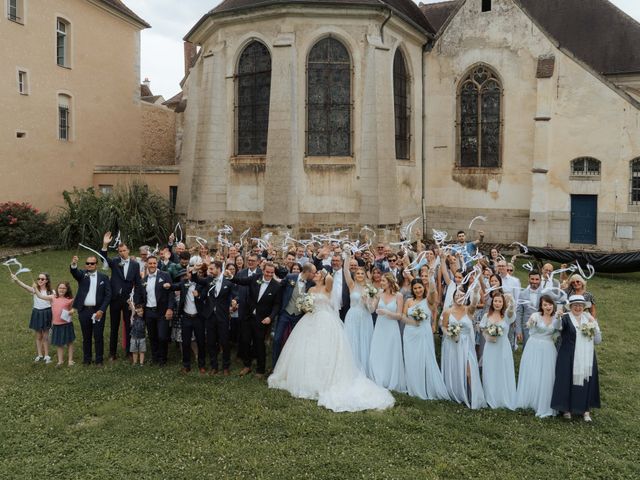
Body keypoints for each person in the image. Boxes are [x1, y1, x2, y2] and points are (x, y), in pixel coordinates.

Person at [268, 269, 395, 412]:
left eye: (317, 274)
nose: (314, 275)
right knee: (307, 348)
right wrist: (306, 306)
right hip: (310, 319)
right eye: (315, 274)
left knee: (324, 348)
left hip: (325, 320)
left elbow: (334, 300)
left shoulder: (328, 288)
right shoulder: (310, 289)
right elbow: (307, 305)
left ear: (322, 277)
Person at [551, 295, 602, 422]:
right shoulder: (566, 318)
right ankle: (566, 409)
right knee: (567, 380)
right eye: (575, 305)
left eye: (580, 305)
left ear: (584, 307)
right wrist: (557, 316)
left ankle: (585, 410)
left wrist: (595, 325)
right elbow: (557, 327)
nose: (578, 307)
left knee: (587, 380)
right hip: (568, 354)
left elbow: (598, 341)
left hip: (587, 355)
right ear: (571, 307)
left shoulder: (588, 318)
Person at [229, 262, 282, 378]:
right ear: (263, 270)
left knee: (259, 344)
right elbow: (241, 281)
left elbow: (277, 305)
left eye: (272, 273)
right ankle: (247, 365)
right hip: (248, 317)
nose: (269, 274)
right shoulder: (255, 278)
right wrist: (231, 277)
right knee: (245, 341)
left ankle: (260, 370)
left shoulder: (276, 286)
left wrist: (270, 317)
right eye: (267, 272)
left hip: (262, 320)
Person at [400, 279, 449, 401]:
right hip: (410, 332)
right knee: (411, 358)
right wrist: (413, 321)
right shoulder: (409, 301)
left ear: (423, 287)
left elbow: (432, 291)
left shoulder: (428, 300)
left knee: (425, 358)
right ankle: (413, 385)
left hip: (424, 332)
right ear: (412, 289)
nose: (418, 290)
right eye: (415, 288)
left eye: (420, 287)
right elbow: (403, 316)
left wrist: (431, 278)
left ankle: (426, 386)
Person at [441, 287, 486, 409]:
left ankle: (474, 398)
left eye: (462, 295)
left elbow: (475, 303)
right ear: (454, 297)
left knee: (468, 371)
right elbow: (444, 327)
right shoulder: (447, 311)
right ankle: (457, 393)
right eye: (457, 295)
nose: (459, 297)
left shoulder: (468, 310)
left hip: (466, 344)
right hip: (452, 343)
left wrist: (476, 292)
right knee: (455, 367)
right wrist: (450, 334)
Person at [516, 295, 560, 418]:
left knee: (546, 375)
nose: (548, 307)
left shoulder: (557, 317)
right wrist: (530, 323)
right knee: (533, 372)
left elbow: (558, 330)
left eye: (550, 304)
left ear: (553, 305)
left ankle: (544, 402)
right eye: (545, 304)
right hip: (533, 346)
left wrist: (560, 318)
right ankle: (529, 398)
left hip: (548, 349)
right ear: (541, 306)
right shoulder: (535, 316)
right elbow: (529, 327)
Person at [100, 232, 142, 362]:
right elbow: (103, 259)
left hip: (128, 300)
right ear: (118, 252)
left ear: (128, 250)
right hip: (115, 299)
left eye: (124, 250)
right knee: (114, 326)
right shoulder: (115, 262)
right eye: (120, 251)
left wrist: (137, 301)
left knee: (129, 325)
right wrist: (105, 245)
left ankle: (129, 352)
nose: (123, 252)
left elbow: (138, 283)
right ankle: (112, 353)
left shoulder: (135, 265)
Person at [194, 261, 235, 375]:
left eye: (211, 269)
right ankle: (214, 366)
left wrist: (235, 301)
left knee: (224, 342)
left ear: (218, 269)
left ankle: (226, 367)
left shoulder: (229, 282)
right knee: (211, 342)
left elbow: (236, 294)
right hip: (210, 316)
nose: (209, 271)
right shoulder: (208, 280)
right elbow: (196, 279)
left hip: (223, 316)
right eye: (209, 269)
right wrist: (194, 270)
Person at [272, 262, 316, 367]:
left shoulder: (311, 283)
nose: (314, 275)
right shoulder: (290, 277)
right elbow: (279, 288)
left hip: (299, 316)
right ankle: (275, 366)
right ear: (307, 272)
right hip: (285, 313)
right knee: (277, 339)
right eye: (313, 273)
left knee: (295, 342)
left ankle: (291, 367)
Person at [70, 255, 112, 365]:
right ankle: (87, 359)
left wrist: (101, 310)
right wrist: (74, 264)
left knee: (98, 336)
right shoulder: (82, 275)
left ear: (96, 265)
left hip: (98, 311)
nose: (89, 265)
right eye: (87, 263)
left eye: (92, 263)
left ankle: (99, 360)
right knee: (86, 336)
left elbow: (108, 295)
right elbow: (75, 273)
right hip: (84, 311)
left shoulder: (104, 278)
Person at [368, 273, 406, 392]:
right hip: (380, 327)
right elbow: (372, 310)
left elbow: (399, 316)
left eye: (383, 280)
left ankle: (390, 378)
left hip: (391, 327)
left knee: (390, 352)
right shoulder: (379, 293)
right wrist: (368, 301)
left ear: (389, 281)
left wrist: (387, 312)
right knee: (379, 350)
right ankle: (378, 376)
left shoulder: (398, 296)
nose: (381, 282)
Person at [479, 292, 517, 410]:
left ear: (503, 303)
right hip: (490, 347)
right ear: (492, 302)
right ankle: (490, 396)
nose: (497, 303)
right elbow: (482, 329)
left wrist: (511, 304)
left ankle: (502, 396)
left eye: (500, 301)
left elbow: (511, 313)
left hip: (503, 347)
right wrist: (487, 337)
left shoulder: (506, 315)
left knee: (502, 370)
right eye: (495, 301)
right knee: (490, 369)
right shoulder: (487, 316)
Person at [342, 252, 376, 373]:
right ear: (355, 275)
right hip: (352, 316)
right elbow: (346, 270)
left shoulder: (370, 288)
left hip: (365, 317)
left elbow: (372, 310)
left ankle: (363, 369)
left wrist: (367, 301)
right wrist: (347, 256)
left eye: (362, 273)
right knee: (351, 341)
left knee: (364, 342)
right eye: (358, 273)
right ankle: (350, 368)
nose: (360, 275)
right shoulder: (351, 285)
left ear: (365, 275)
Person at [30, 280, 76, 367]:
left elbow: (73, 308)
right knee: (59, 343)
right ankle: (60, 361)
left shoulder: (69, 299)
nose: (61, 289)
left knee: (69, 342)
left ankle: (70, 360)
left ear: (67, 289)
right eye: (60, 287)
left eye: (64, 288)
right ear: (57, 289)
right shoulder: (53, 297)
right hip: (57, 324)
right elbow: (40, 296)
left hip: (67, 324)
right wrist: (35, 288)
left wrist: (71, 311)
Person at [139, 255, 175, 366]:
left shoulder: (165, 276)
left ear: (157, 264)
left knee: (162, 336)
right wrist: (139, 307)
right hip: (149, 312)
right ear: (147, 265)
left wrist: (170, 308)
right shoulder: (144, 280)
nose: (152, 265)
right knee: (152, 336)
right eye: (150, 263)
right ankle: (155, 357)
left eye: (154, 263)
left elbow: (171, 293)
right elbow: (142, 296)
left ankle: (163, 358)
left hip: (162, 311)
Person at [10, 271, 53, 363]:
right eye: (39, 278)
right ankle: (39, 355)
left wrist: (35, 289)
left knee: (45, 335)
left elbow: (42, 296)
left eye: (42, 279)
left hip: (46, 313)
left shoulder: (51, 291)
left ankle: (46, 355)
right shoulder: (34, 289)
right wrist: (16, 279)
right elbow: (24, 286)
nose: (40, 280)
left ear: (46, 281)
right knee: (38, 335)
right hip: (36, 312)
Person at [172, 268, 206, 374]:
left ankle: (201, 365)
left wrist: (199, 295)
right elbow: (175, 286)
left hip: (198, 318)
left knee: (200, 342)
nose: (189, 275)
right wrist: (168, 285)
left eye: (191, 273)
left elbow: (205, 297)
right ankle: (186, 365)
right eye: (188, 273)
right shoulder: (184, 283)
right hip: (186, 317)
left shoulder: (201, 284)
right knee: (185, 342)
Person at [515, 270, 542, 346]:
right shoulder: (522, 294)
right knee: (527, 348)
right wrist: (518, 330)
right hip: (527, 327)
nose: (534, 281)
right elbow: (519, 312)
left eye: (537, 279)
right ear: (528, 279)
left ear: (540, 280)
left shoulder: (545, 293)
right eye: (532, 279)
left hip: (541, 327)